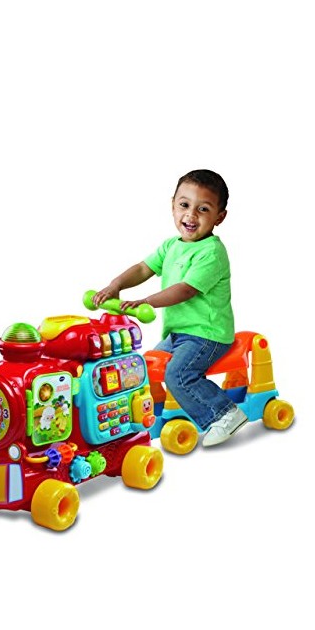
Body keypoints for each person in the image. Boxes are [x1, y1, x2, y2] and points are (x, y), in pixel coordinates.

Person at [93, 169, 248, 447]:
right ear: (173, 205)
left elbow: (186, 290)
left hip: (207, 334)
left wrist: (145, 301)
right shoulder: (171, 246)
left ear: (219, 217)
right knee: (143, 366)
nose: (191, 215)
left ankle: (225, 413)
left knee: (178, 374)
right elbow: (143, 268)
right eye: (184, 205)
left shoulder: (212, 252)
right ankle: (153, 412)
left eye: (203, 209)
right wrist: (116, 285)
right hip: (178, 334)